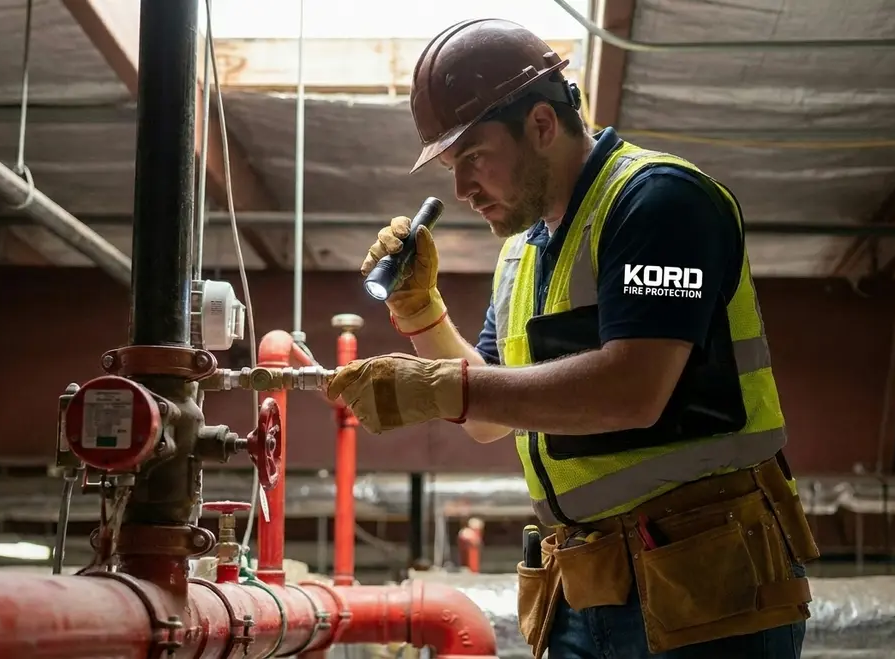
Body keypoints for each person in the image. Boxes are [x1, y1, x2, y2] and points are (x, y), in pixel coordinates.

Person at [324, 18, 821, 659]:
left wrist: (450, 388)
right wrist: (420, 310)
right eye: (452, 166)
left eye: (473, 157)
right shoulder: (521, 257)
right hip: (589, 588)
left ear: (540, 124)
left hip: (712, 587)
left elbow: (633, 390)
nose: (462, 190)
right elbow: (487, 418)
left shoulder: (658, 202)